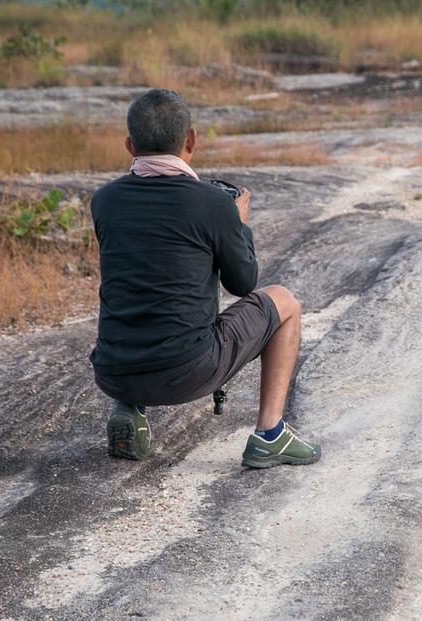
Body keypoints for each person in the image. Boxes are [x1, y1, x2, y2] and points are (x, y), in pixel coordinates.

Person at [89, 88, 320, 469]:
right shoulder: (211, 204)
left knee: (140, 290)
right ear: (191, 139)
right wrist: (239, 223)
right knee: (285, 302)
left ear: (130, 145)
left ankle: (129, 408)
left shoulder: (104, 201)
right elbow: (244, 283)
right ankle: (270, 435)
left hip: (113, 372)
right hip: (187, 372)